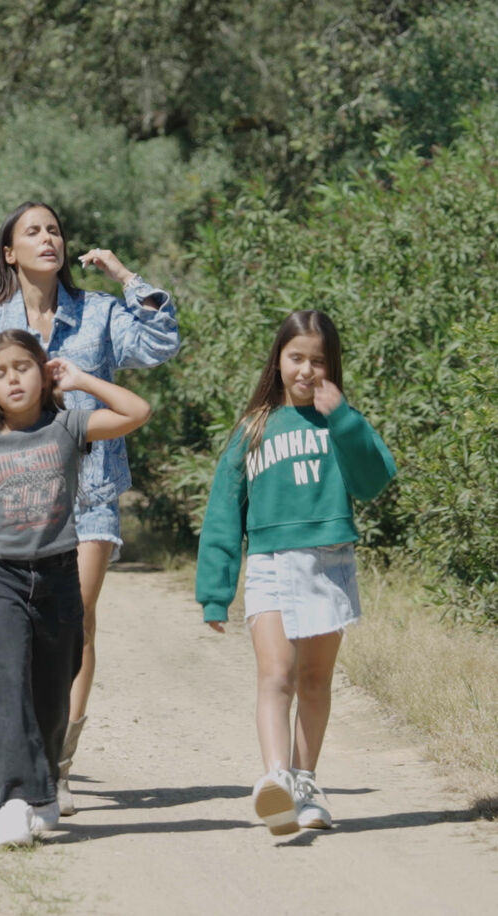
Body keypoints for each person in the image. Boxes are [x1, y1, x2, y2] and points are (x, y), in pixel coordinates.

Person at [0, 201, 179, 814]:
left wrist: (126, 278)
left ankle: (57, 764)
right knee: (21, 633)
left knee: (73, 622)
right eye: (33, 231)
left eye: (54, 230)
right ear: (9, 252)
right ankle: (29, 760)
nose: (48, 238)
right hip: (12, 496)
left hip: (89, 493)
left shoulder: (98, 314)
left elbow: (161, 343)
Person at [0, 330, 151, 847]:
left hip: (60, 578)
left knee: (52, 695)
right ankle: (14, 802)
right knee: (9, 689)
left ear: (43, 373)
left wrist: (81, 380)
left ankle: (42, 797)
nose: (12, 379)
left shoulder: (68, 426)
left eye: (22, 367)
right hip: (0, 579)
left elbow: (137, 411)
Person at [195, 309, 396, 835]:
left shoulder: (342, 422)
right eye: (296, 357)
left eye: (318, 361)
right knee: (276, 676)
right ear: (278, 360)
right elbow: (223, 514)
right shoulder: (253, 428)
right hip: (269, 563)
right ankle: (276, 780)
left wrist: (344, 419)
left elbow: (373, 481)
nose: (307, 370)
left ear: (332, 366)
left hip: (329, 562)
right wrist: (215, 591)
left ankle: (306, 784)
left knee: (314, 680)